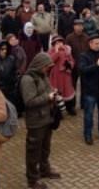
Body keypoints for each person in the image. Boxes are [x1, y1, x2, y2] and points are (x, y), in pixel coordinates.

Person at [20, 53, 61, 189]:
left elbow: (47, 90)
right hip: (36, 121)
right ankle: (32, 179)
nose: (47, 70)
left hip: (47, 118)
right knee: (33, 151)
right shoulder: (28, 79)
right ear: (39, 65)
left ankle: (44, 169)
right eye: (46, 67)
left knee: (45, 148)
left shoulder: (43, 75)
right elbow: (29, 101)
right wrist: (47, 97)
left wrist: (53, 92)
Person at [79, 34, 99, 145]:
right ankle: (88, 134)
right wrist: (96, 65)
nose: (98, 45)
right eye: (96, 43)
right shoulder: (84, 56)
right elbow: (83, 70)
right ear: (90, 43)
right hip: (90, 90)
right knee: (89, 114)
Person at [48, 36, 77, 115]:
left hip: (66, 74)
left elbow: (72, 61)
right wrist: (56, 52)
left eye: (60, 42)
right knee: (57, 92)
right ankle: (58, 110)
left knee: (67, 91)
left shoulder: (67, 50)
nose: (59, 44)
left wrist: (69, 65)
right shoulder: (51, 51)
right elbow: (50, 61)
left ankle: (69, 107)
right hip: (56, 75)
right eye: (57, 43)